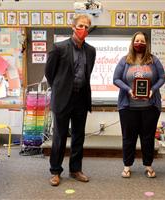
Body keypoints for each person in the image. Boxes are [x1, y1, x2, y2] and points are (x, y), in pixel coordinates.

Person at [45, 14, 96, 186]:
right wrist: (61, 88)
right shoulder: (59, 48)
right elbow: (49, 73)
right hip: (62, 98)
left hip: (81, 98)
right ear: (73, 27)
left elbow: (87, 74)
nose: (84, 29)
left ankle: (75, 170)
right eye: (81, 26)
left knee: (78, 136)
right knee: (59, 136)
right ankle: (55, 171)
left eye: (87, 27)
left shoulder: (91, 51)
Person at [113, 31, 165, 178]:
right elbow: (116, 79)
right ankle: (127, 166)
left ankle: (148, 165)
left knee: (147, 138)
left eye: (142, 41)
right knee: (128, 138)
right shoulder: (125, 60)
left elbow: (162, 78)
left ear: (146, 44)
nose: (139, 44)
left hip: (150, 107)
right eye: (137, 41)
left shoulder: (153, 60)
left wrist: (153, 90)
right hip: (128, 108)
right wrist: (128, 90)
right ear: (132, 42)